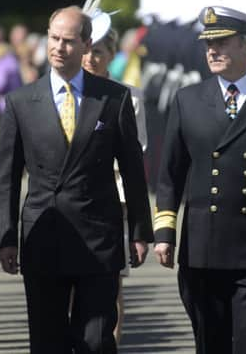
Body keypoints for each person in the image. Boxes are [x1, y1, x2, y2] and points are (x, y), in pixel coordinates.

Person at [0, 6, 153, 353]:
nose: (58, 48)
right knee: (47, 340)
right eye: (54, 38)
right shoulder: (22, 101)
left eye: (68, 41)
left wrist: (140, 231)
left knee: (96, 340)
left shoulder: (113, 98)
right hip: (44, 236)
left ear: (85, 44)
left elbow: (131, 169)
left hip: (99, 235)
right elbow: (6, 176)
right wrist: (6, 238)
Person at [153, 5, 246, 354]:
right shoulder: (189, 99)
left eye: (223, 42)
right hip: (202, 250)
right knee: (209, 342)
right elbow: (170, 175)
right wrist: (165, 233)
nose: (213, 50)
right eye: (209, 43)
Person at [82, 23, 148, 344]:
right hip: (74, 200)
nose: (90, 58)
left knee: (111, 286)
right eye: (86, 50)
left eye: (98, 52)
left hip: (114, 201)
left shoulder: (129, 96)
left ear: (111, 56)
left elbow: (136, 155)